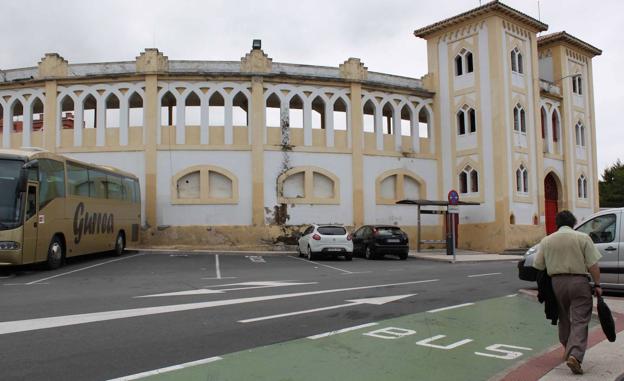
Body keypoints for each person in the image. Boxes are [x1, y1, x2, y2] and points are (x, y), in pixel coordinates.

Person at [533, 210, 602, 375]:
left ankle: (567, 349)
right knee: (580, 319)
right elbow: (593, 265)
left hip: (557, 283)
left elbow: (538, 265)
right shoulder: (583, 238)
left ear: (557, 224)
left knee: (563, 318)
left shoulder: (547, 240)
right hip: (579, 281)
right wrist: (597, 284)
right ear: (573, 223)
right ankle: (575, 355)